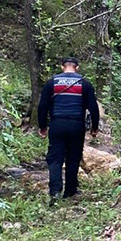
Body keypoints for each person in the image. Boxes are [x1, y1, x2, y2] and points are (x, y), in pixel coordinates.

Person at [37, 57, 99, 204]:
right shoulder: (84, 83)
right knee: (73, 157)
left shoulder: (52, 82)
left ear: (62, 67)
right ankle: (70, 191)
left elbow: (42, 106)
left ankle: (55, 192)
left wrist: (43, 126)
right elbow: (93, 107)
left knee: (55, 158)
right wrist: (94, 128)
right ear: (77, 67)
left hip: (57, 124)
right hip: (76, 125)